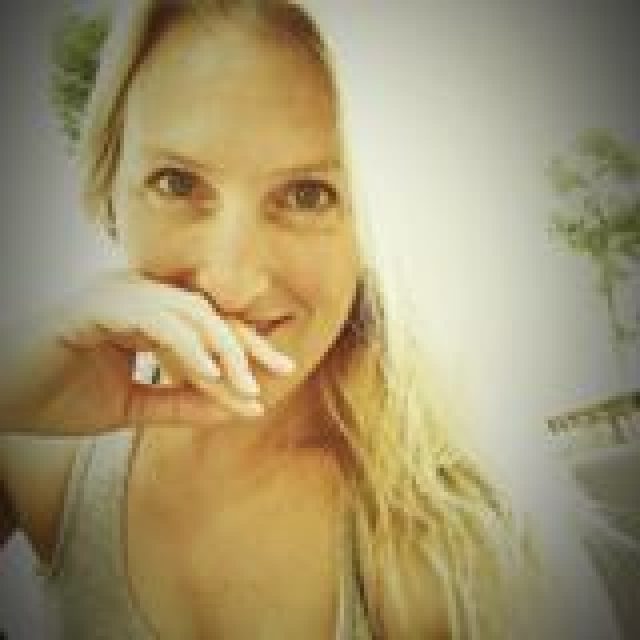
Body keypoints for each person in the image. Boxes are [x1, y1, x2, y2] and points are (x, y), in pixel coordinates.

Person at [0, 1, 624, 638]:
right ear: (110, 188)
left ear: (378, 226)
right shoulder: (45, 451)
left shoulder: (451, 547)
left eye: (308, 195)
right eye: (177, 183)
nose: (230, 283)